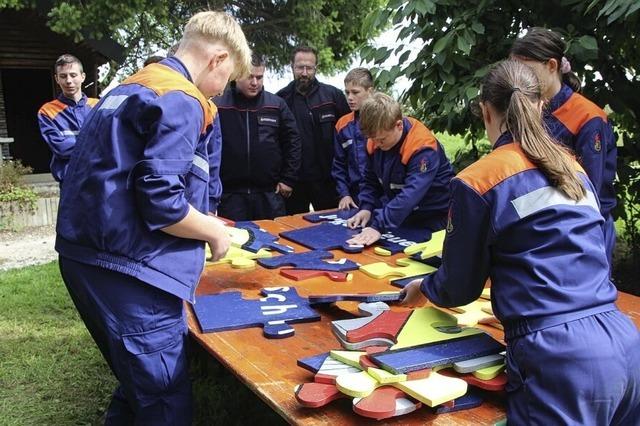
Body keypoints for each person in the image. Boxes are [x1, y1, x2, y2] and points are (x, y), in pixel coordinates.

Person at [401, 60, 640, 425]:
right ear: (542, 106)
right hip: (623, 342)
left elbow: (460, 285)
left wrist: (425, 286)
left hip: (560, 358)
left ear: (485, 111)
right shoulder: (573, 169)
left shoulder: (478, 180)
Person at [55, 11, 251, 425]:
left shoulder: (130, 85)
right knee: (163, 395)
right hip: (130, 268)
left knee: (138, 380)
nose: (220, 92)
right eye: (227, 78)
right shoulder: (182, 97)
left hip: (87, 254)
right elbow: (162, 201)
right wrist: (213, 231)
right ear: (217, 59)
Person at [511, 27, 617, 269]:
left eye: (525, 69)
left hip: (583, 230)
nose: (519, 79)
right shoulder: (525, 111)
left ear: (551, 65)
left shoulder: (588, 118)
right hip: (539, 227)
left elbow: (590, 191)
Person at [346, 92, 455, 246]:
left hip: (436, 219)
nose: (376, 144)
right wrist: (367, 207)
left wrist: (378, 226)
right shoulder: (374, 139)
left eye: (381, 139)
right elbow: (370, 180)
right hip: (403, 217)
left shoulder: (422, 147)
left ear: (399, 125)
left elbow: (411, 194)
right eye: (373, 139)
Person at [214, 53, 301, 220]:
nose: (255, 83)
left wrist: (288, 179)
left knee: (273, 243)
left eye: (259, 77)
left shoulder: (276, 105)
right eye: (250, 77)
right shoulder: (219, 105)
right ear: (237, 74)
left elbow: (293, 142)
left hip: (269, 195)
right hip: (230, 196)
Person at [276, 45, 350, 214]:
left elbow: (348, 137)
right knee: (293, 231)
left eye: (309, 68)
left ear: (316, 67)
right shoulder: (281, 99)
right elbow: (276, 143)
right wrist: (284, 178)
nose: (304, 73)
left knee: (333, 230)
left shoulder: (333, 97)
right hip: (294, 184)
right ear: (292, 67)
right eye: (300, 67)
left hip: (328, 182)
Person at [37, 54, 98, 183]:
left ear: (83, 77)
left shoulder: (99, 106)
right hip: (71, 182)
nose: (68, 81)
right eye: (63, 76)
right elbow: (61, 149)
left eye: (73, 75)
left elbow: (111, 141)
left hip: (100, 178)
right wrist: (96, 147)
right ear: (56, 79)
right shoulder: (47, 111)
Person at [331, 67, 374, 210]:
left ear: (370, 91)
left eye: (355, 92)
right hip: (354, 199)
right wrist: (344, 194)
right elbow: (339, 165)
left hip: (382, 197)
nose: (350, 97)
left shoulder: (384, 121)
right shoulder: (342, 125)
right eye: (347, 92)